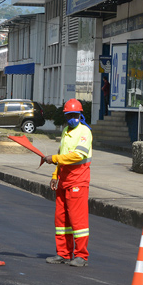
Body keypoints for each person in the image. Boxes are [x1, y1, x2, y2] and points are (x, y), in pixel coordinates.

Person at [40, 99, 93, 267]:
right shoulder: (65, 132)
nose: (72, 118)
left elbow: (78, 155)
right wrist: (55, 173)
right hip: (64, 180)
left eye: (75, 115)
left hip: (78, 180)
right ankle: (63, 253)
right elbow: (62, 155)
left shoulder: (84, 132)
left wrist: (54, 159)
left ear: (80, 115)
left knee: (78, 221)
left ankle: (81, 255)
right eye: (69, 115)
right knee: (61, 220)